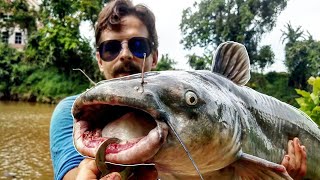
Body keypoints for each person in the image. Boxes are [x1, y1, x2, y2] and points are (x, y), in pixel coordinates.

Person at [49, 0, 307, 179]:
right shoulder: (71, 113)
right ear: (98, 59)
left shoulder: (181, 106)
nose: (125, 55)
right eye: (111, 48)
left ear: (155, 56)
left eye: (138, 46)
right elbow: (72, 175)